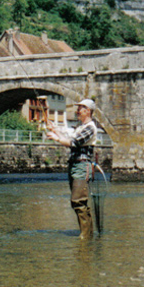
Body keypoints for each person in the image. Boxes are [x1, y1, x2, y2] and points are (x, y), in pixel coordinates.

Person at [46, 98, 98, 239]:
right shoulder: (80, 127)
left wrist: (56, 138)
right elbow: (68, 138)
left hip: (82, 166)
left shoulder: (90, 127)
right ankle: (88, 235)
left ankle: (85, 236)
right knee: (78, 202)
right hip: (75, 165)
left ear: (87, 111)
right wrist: (55, 130)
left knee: (78, 201)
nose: (77, 111)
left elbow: (74, 143)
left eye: (80, 109)